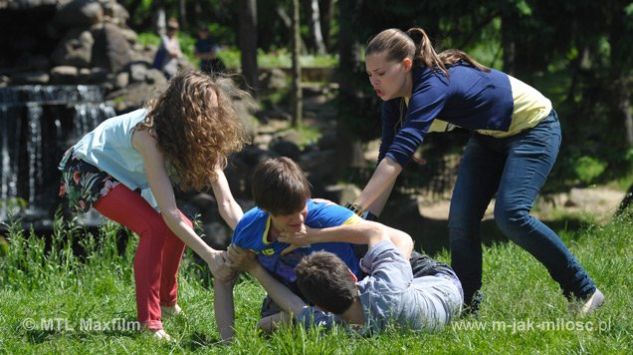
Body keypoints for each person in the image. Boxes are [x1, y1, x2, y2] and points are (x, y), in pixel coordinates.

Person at [345, 27, 604, 314]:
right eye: (369, 75)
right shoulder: (393, 101)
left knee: (511, 215)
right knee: (460, 220)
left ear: (406, 64)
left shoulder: (431, 85)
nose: (374, 82)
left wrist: (354, 210)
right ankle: (466, 306)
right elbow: (388, 164)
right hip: (489, 136)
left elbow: (397, 157)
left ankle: (585, 292)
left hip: (535, 127)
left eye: (380, 73)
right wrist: (364, 223)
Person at [58, 71, 247, 340]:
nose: (212, 120)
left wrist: (252, 237)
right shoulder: (148, 134)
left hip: (129, 174)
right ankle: (149, 324)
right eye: (205, 113)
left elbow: (227, 202)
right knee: (155, 227)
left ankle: (167, 304)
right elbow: (168, 212)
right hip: (91, 167)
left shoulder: (204, 135)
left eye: (216, 112)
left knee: (184, 225)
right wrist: (210, 256)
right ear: (184, 115)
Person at [219, 157, 414, 340]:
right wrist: (226, 343)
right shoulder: (249, 230)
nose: (298, 219)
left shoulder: (324, 215)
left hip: (343, 298)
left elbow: (401, 239)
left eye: (301, 209)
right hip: (291, 299)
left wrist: (314, 235)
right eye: (288, 215)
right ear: (267, 211)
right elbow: (223, 277)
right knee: (266, 327)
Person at [231, 221, 463, 335]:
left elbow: (273, 319)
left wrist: (253, 268)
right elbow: (384, 234)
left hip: (421, 293)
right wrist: (315, 234)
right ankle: (376, 262)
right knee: (368, 247)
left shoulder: (329, 325)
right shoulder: (386, 285)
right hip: (443, 284)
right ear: (354, 277)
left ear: (319, 306)